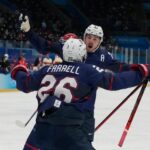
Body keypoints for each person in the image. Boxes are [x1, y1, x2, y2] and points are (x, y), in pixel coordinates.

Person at [18, 14, 142, 143]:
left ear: (100, 41)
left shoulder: (104, 56)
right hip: (63, 107)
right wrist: (28, 32)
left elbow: (122, 67)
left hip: (86, 107)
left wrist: (141, 69)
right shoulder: (72, 47)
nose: (91, 41)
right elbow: (44, 46)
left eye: (95, 38)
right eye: (88, 37)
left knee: (83, 141)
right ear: (84, 37)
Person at [11, 38, 150, 150]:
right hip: (69, 131)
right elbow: (114, 81)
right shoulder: (87, 70)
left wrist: (19, 70)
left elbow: (25, 83)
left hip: (41, 129)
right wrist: (141, 72)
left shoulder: (47, 69)